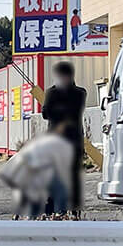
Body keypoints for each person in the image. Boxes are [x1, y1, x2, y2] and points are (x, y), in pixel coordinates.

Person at [40, 61, 87, 215]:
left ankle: (73, 211)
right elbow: (46, 114)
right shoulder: (51, 92)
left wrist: (56, 107)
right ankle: (51, 210)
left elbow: (73, 111)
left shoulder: (80, 92)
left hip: (73, 141)